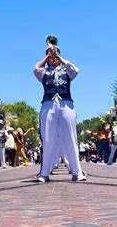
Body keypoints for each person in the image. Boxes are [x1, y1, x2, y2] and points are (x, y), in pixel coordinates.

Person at [33, 34, 86, 182]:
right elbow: (35, 69)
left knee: (70, 137)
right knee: (47, 138)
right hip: (48, 104)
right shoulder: (44, 72)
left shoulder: (66, 70)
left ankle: (77, 172)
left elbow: (76, 70)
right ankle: (44, 173)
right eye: (51, 56)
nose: (53, 57)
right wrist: (47, 56)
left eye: (55, 54)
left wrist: (60, 58)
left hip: (66, 104)